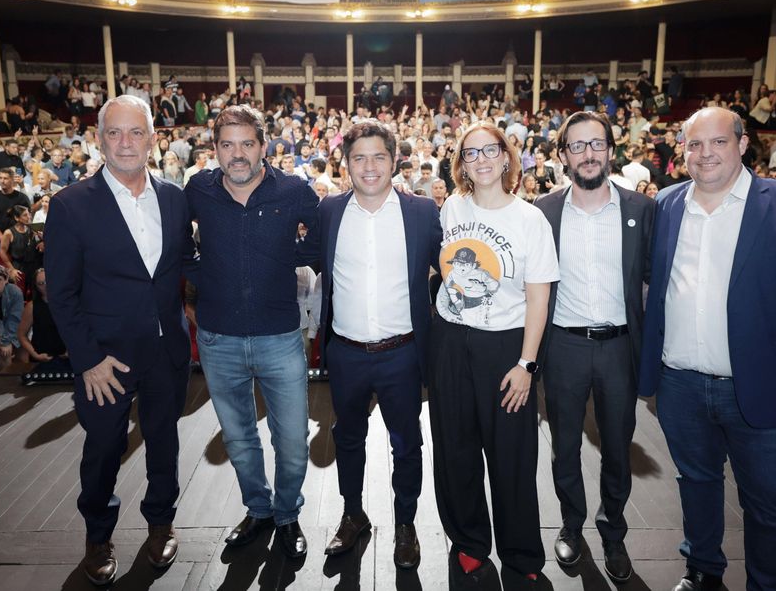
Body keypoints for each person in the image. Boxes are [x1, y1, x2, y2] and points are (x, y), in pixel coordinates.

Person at [639, 107, 776, 591]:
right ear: (681, 150)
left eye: (718, 142)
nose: (706, 153)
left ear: (743, 143)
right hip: (680, 384)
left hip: (764, 387)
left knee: (770, 502)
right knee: (697, 486)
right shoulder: (666, 205)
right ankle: (703, 570)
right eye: (694, 144)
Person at [45, 94, 195, 584]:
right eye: (115, 132)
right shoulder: (70, 205)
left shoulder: (174, 198)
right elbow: (61, 293)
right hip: (104, 359)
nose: (126, 142)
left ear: (153, 138)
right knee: (104, 447)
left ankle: (160, 524)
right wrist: (88, 359)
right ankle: (98, 536)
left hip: (166, 351)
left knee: (164, 444)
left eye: (136, 132)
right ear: (99, 139)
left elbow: (181, 269)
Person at [184, 104, 319, 559]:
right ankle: (259, 511)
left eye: (246, 144)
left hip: (280, 335)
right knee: (239, 438)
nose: (237, 154)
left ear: (264, 146)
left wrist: (286, 264)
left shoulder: (294, 189)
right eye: (227, 145)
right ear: (215, 150)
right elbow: (180, 244)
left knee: (293, 439)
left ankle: (287, 515)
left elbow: (319, 239)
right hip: (218, 339)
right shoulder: (198, 189)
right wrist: (205, 279)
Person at [429, 122, 558, 582]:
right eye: (470, 153)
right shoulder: (452, 208)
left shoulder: (530, 219)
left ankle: (522, 556)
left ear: (507, 158)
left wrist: (527, 364)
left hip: (506, 347)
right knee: (455, 449)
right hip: (449, 341)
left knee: (513, 457)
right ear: (460, 163)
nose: (481, 159)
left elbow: (539, 299)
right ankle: (468, 541)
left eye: (490, 150)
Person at [533, 111, 654, 581]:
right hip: (562, 347)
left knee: (619, 449)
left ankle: (614, 531)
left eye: (597, 144)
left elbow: (650, 279)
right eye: (578, 146)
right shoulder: (543, 210)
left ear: (610, 149)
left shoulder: (640, 210)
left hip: (619, 349)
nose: (589, 154)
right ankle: (570, 524)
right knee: (564, 446)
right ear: (563, 155)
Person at [315, 121, 441, 569]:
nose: (369, 167)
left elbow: (450, 271)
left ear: (395, 160)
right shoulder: (328, 211)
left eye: (378, 157)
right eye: (358, 158)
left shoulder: (423, 212)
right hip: (345, 352)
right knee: (346, 439)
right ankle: (352, 515)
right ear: (345, 162)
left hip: (402, 352)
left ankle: (405, 524)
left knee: (407, 444)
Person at [17, 268, 70, 374]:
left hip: (67, 357)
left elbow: (77, 330)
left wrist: (72, 349)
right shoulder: (31, 307)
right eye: (41, 283)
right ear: (36, 286)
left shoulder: (68, 304)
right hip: (41, 358)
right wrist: (34, 354)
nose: (46, 286)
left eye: (48, 281)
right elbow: (21, 334)